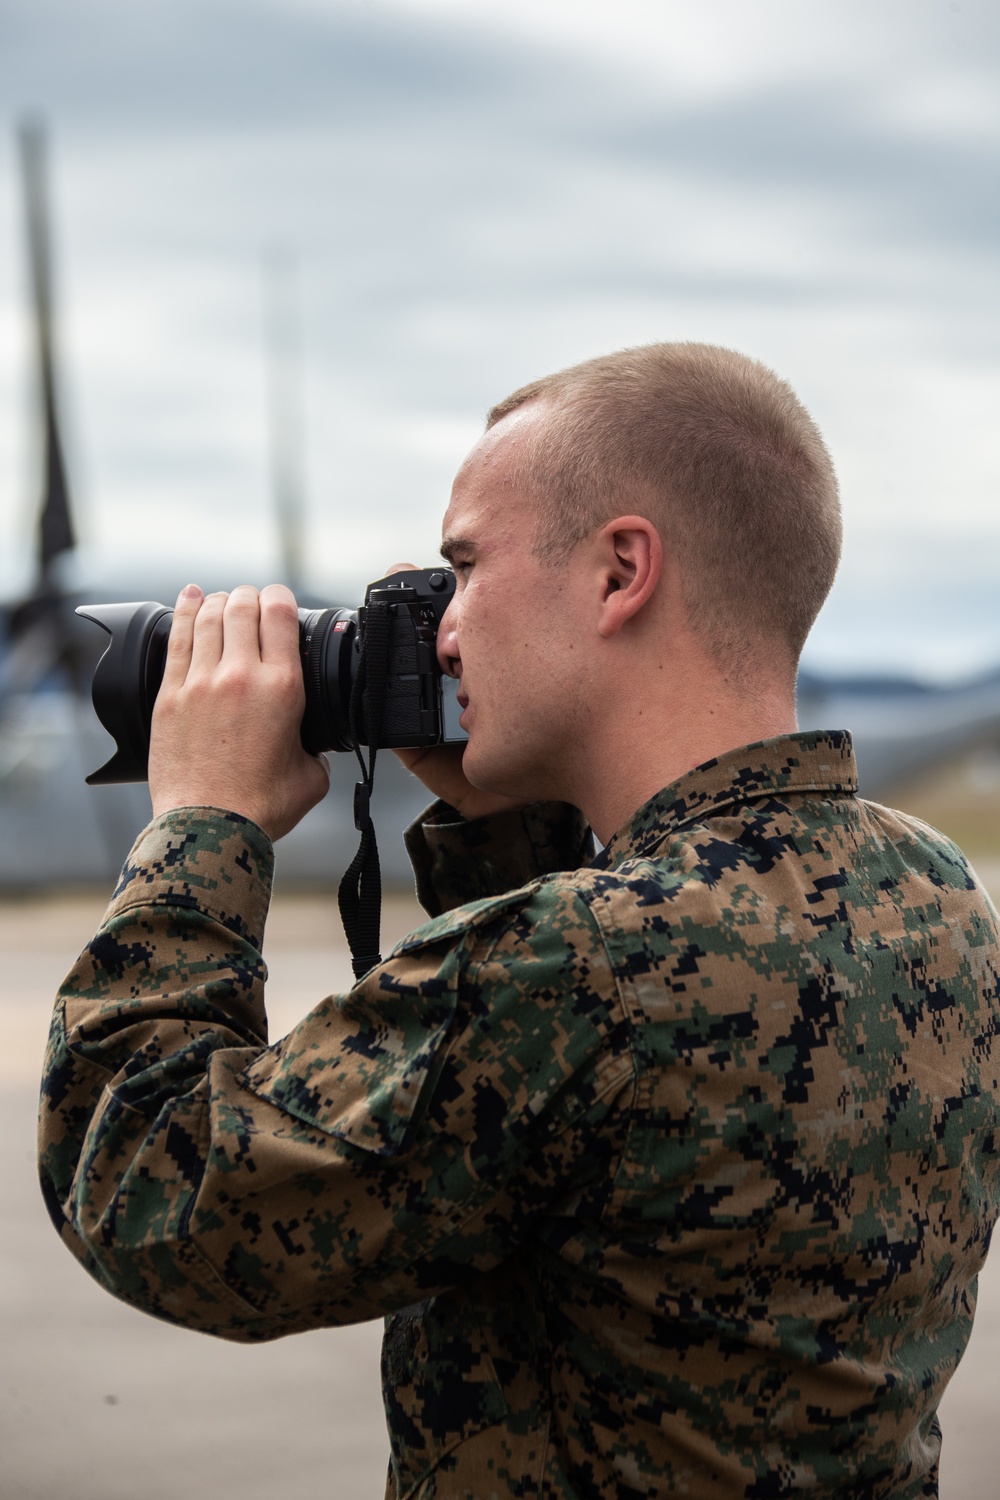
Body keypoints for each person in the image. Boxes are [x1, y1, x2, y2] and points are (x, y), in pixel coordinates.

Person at [39, 343, 1000, 1499]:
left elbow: (152, 1189)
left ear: (619, 572)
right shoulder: (928, 889)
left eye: (465, 567)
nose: (441, 630)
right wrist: (508, 825)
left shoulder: (577, 965)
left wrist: (202, 824)